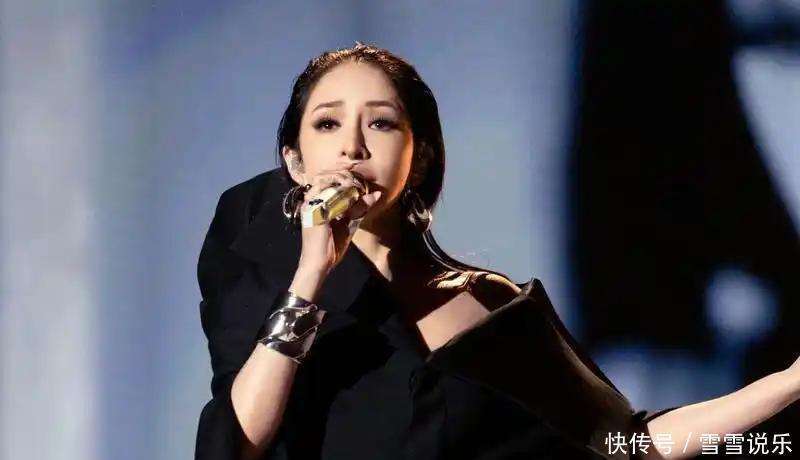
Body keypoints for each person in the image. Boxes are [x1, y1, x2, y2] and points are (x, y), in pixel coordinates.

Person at [194, 42, 800, 460]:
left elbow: (627, 443)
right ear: (295, 160)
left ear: (419, 157)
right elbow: (237, 444)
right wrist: (311, 275)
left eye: (381, 123)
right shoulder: (258, 259)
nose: (352, 147)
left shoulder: (488, 301)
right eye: (327, 124)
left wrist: (787, 383)